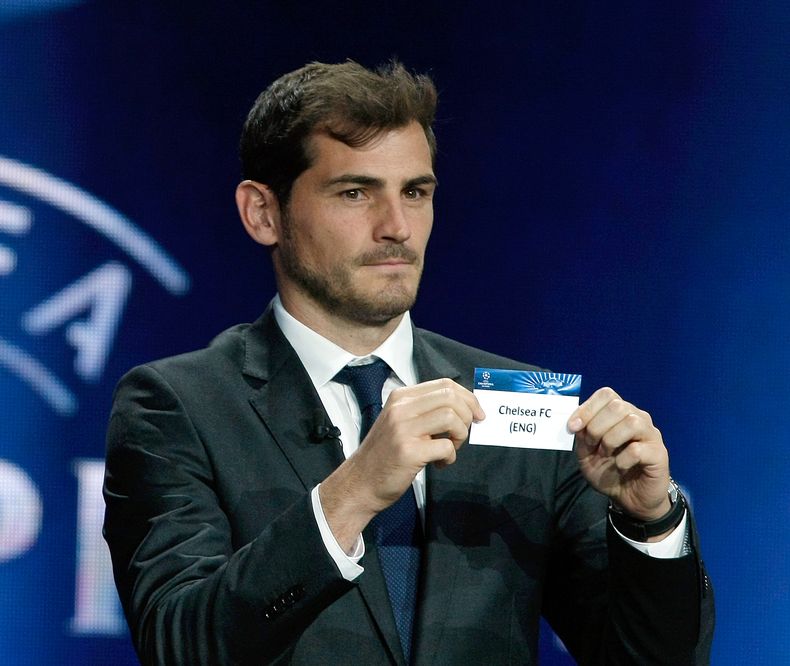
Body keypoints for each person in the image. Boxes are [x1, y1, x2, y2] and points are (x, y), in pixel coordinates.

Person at [103, 60, 714, 665]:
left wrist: (650, 524)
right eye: (354, 192)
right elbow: (181, 644)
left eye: (415, 193)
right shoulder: (177, 406)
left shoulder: (523, 405)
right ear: (264, 213)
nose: (397, 227)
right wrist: (354, 492)